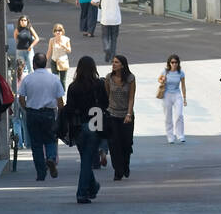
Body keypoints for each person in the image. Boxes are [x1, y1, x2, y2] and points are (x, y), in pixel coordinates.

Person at [67, 55, 109, 204]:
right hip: (94, 125)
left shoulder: (73, 87)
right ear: (93, 69)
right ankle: (82, 193)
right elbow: (105, 104)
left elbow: (70, 108)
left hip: (78, 127)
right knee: (87, 159)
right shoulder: (98, 85)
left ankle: (93, 186)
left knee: (85, 158)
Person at [18, 51, 64, 181]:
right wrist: (60, 114)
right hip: (49, 113)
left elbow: (21, 98)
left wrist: (26, 108)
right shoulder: (54, 78)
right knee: (50, 139)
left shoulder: (28, 79)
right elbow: (60, 100)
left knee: (36, 144)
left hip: (33, 113)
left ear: (33, 64)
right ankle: (50, 158)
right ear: (46, 64)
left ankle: (40, 172)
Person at [104, 54, 136, 180]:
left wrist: (129, 114)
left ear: (122, 65)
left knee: (126, 143)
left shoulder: (130, 78)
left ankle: (125, 165)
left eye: (116, 62)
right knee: (114, 144)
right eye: (113, 62)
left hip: (126, 115)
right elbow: (107, 95)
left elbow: (131, 97)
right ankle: (118, 171)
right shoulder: (108, 78)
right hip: (112, 114)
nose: (113, 64)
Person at [91, 0, 124, 65]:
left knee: (105, 37)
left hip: (105, 19)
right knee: (114, 38)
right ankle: (112, 56)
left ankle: (107, 48)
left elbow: (92, 1)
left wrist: (99, 5)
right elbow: (120, 1)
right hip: (116, 19)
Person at [159, 54, 187, 144]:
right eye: (172, 62)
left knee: (179, 115)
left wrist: (185, 98)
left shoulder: (181, 73)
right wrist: (162, 80)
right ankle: (170, 136)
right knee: (168, 116)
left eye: (176, 62)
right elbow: (159, 79)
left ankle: (180, 135)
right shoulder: (165, 71)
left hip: (177, 94)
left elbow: (183, 86)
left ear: (178, 63)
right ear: (169, 63)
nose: (174, 64)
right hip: (167, 94)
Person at [46, 23, 72, 89]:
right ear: (54, 32)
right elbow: (49, 51)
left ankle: (62, 94)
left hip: (63, 61)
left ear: (62, 31)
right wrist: (45, 60)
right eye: (56, 30)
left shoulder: (66, 39)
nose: (58, 32)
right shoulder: (52, 40)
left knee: (62, 80)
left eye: (59, 30)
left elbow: (69, 50)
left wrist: (64, 46)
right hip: (54, 61)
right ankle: (56, 94)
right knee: (55, 79)